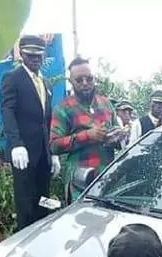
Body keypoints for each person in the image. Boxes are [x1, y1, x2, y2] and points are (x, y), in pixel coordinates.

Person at [0, 35, 61, 231]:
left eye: (38, 56)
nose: (35, 59)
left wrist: (54, 151)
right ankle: (24, 242)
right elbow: (7, 110)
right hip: (23, 153)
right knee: (25, 201)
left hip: (44, 151)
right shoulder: (13, 78)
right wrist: (16, 143)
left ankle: (41, 235)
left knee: (43, 199)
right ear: (22, 55)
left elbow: (47, 119)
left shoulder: (46, 84)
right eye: (30, 55)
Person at [50, 56, 119, 202]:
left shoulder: (106, 104)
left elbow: (116, 132)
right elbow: (53, 145)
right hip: (80, 182)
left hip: (107, 179)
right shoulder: (63, 108)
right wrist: (87, 136)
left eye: (89, 79)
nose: (85, 83)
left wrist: (117, 137)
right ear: (71, 82)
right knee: (80, 223)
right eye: (79, 80)